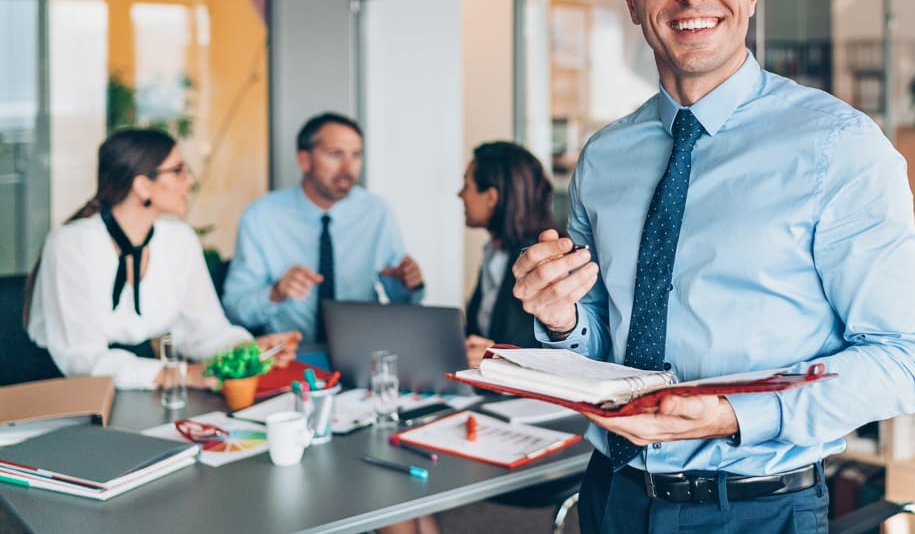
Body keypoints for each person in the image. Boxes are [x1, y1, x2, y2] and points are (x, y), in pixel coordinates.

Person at [512, 0, 915, 534]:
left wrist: (733, 414)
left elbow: (904, 361)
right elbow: (602, 340)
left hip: (755, 507)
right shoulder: (604, 158)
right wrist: (563, 315)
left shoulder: (838, 146)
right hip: (613, 495)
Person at [25, 128, 299, 390]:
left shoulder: (179, 239)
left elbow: (205, 329)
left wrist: (246, 350)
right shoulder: (70, 244)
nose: (190, 180)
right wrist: (179, 375)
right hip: (65, 393)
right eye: (179, 170)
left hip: (143, 386)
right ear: (143, 185)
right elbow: (81, 360)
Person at [223, 113, 426, 344]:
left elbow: (405, 302)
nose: (347, 168)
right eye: (335, 155)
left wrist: (409, 284)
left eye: (356, 155)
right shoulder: (261, 216)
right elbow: (234, 309)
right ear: (304, 160)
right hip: (290, 356)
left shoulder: (376, 212)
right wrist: (275, 293)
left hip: (362, 350)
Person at [458, 141, 557, 368]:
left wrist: (500, 358)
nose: (460, 194)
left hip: (525, 398)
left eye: (466, 185)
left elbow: (549, 354)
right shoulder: (492, 254)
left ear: (492, 197)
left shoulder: (540, 261)